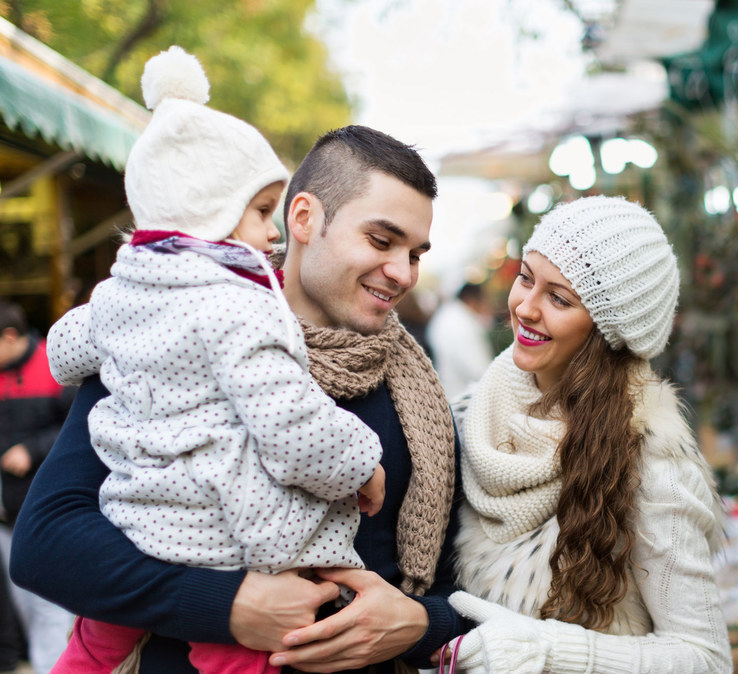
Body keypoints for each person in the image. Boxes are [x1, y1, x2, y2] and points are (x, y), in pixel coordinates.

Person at [12, 126, 466, 674]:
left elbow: (451, 588)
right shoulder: (166, 339)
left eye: (416, 253)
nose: (402, 272)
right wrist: (224, 606)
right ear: (302, 219)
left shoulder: (421, 398)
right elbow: (45, 545)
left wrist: (418, 625)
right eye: (380, 240)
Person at [42, 47, 388, 674]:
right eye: (260, 212)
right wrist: (362, 462)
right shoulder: (239, 309)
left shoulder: (121, 295)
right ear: (210, 217)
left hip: (132, 523)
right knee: (242, 657)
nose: (271, 234)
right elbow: (293, 427)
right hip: (219, 540)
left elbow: (63, 354)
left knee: (93, 650)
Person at [446, 196, 732, 673]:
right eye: (526, 278)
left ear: (608, 332)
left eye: (559, 299)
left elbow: (706, 659)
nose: (526, 308)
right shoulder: (470, 418)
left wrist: (546, 650)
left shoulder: (651, 462)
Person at [0, 301, 76, 674]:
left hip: (47, 512)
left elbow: (81, 428)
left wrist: (31, 450)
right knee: (23, 603)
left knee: (48, 605)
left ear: (10, 337)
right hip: (5, 514)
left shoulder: (56, 364)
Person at [428, 282, 493, 401]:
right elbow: (478, 369)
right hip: (462, 398)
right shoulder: (461, 324)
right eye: (483, 300)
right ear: (471, 300)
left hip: (449, 392)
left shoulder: (446, 315)